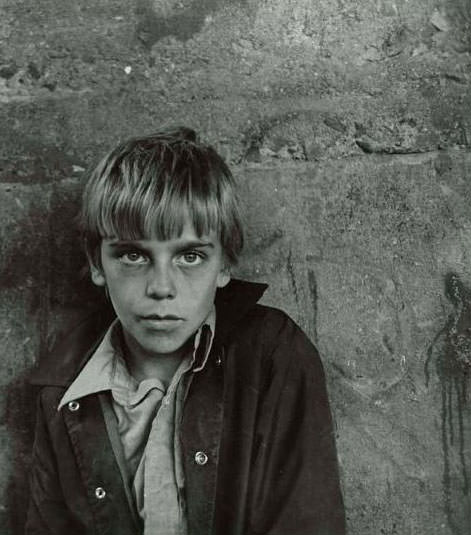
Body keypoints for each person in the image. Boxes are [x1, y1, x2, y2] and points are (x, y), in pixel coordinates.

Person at [25, 127, 345, 535]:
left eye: (190, 256)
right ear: (96, 263)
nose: (161, 287)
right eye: (133, 255)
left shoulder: (270, 355)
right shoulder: (63, 391)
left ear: (225, 263)